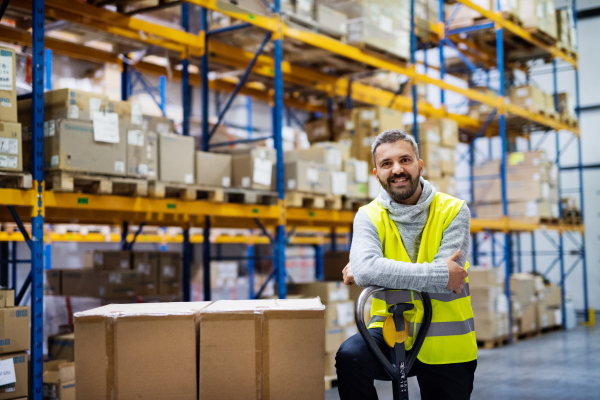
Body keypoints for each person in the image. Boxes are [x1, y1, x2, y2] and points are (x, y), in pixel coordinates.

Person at [336, 129, 477, 400]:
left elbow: (452, 283)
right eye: (386, 164)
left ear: (419, 166)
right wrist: (438, 273)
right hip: (389, 331)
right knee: (350, 357)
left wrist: (374, 271)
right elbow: (443, 277)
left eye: (405, 160)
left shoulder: (454, 210)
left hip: (446, 342)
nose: (397, 169)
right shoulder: (368, 216)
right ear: (377, 174)